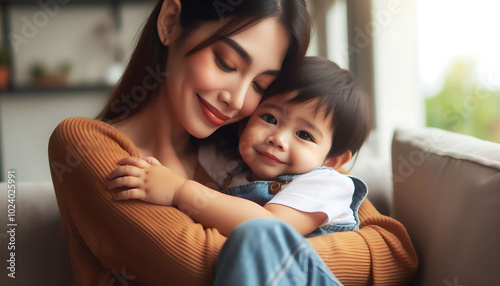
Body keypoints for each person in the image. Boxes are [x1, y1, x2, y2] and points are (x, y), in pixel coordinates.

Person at [48, 0, 418, 285]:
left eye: (260, 85)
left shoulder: (257, 152)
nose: (238, 100)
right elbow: (196, 269)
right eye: (226, 62)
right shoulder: (84, 146)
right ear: (170, 21)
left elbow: (391, 251)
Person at [108, 57, 371, 241]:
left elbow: (267, 228)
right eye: (270, 118)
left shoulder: (325, 184)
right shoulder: (232, 167)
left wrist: (179, 190)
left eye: (304, 134)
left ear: (334, 160)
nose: (277, 138)